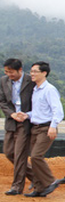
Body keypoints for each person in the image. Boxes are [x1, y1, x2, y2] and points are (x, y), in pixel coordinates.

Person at [22, 61, 64, 197]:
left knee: (36, 156)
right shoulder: (35, 89)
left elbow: (58, 110)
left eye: (35, 71)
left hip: (46, 128)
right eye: (31, 71)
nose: (32, 74)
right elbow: (38, 111)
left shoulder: (49, 89)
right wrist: (26, 115)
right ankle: (39, 189)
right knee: (33, 157)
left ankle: (50, 181)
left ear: (44, 73)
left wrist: (53, 126)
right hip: (35, 127)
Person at [0, 58, 35, 195]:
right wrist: (12, 114)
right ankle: (37, 178)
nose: (9, 74)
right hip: (12, 121)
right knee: (9, 152)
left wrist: (27, 115)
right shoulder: (3, 81)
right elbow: (2, 101)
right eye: (6, 72)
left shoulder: (30, 81)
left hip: (26, 121)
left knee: (20, 155)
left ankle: (17, 186)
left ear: (20, 70)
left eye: (11, 72)